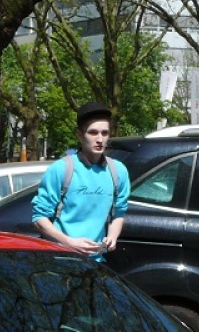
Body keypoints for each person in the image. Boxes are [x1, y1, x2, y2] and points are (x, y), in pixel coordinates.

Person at [31, 102, 129, 262]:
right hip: (59, 259)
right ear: (79, 135)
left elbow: (119, 213)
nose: (100, 139)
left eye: (105, 133)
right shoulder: (61, 169)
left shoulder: (118, 171)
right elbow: (39, 218)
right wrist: (69, 243)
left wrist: (112, 236)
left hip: (96, 263)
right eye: (93, 132)